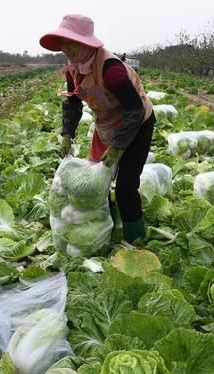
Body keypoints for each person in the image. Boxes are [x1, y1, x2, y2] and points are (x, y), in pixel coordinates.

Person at [40, 14, 155, 244]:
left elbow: (135, 110)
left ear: (85, 43)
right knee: (95, 184)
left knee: (126, 186)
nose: (66, 48)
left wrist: (117, 147)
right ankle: (106, 227)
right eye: (63, 43)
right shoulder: (74, 70)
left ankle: (135, 239)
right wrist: (67, 133)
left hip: (138, 123)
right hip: (107, 124)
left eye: (71, 42)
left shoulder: (111, 70)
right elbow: (73, 103)